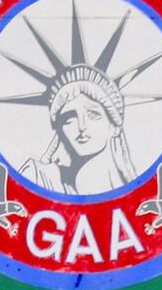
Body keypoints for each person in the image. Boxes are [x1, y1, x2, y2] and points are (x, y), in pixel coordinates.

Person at [20, 65, 137, 195]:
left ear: (114, 126)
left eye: (93, 115)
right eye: (69, 118)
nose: (81, 126)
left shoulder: (134, 193)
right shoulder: (37, 176)